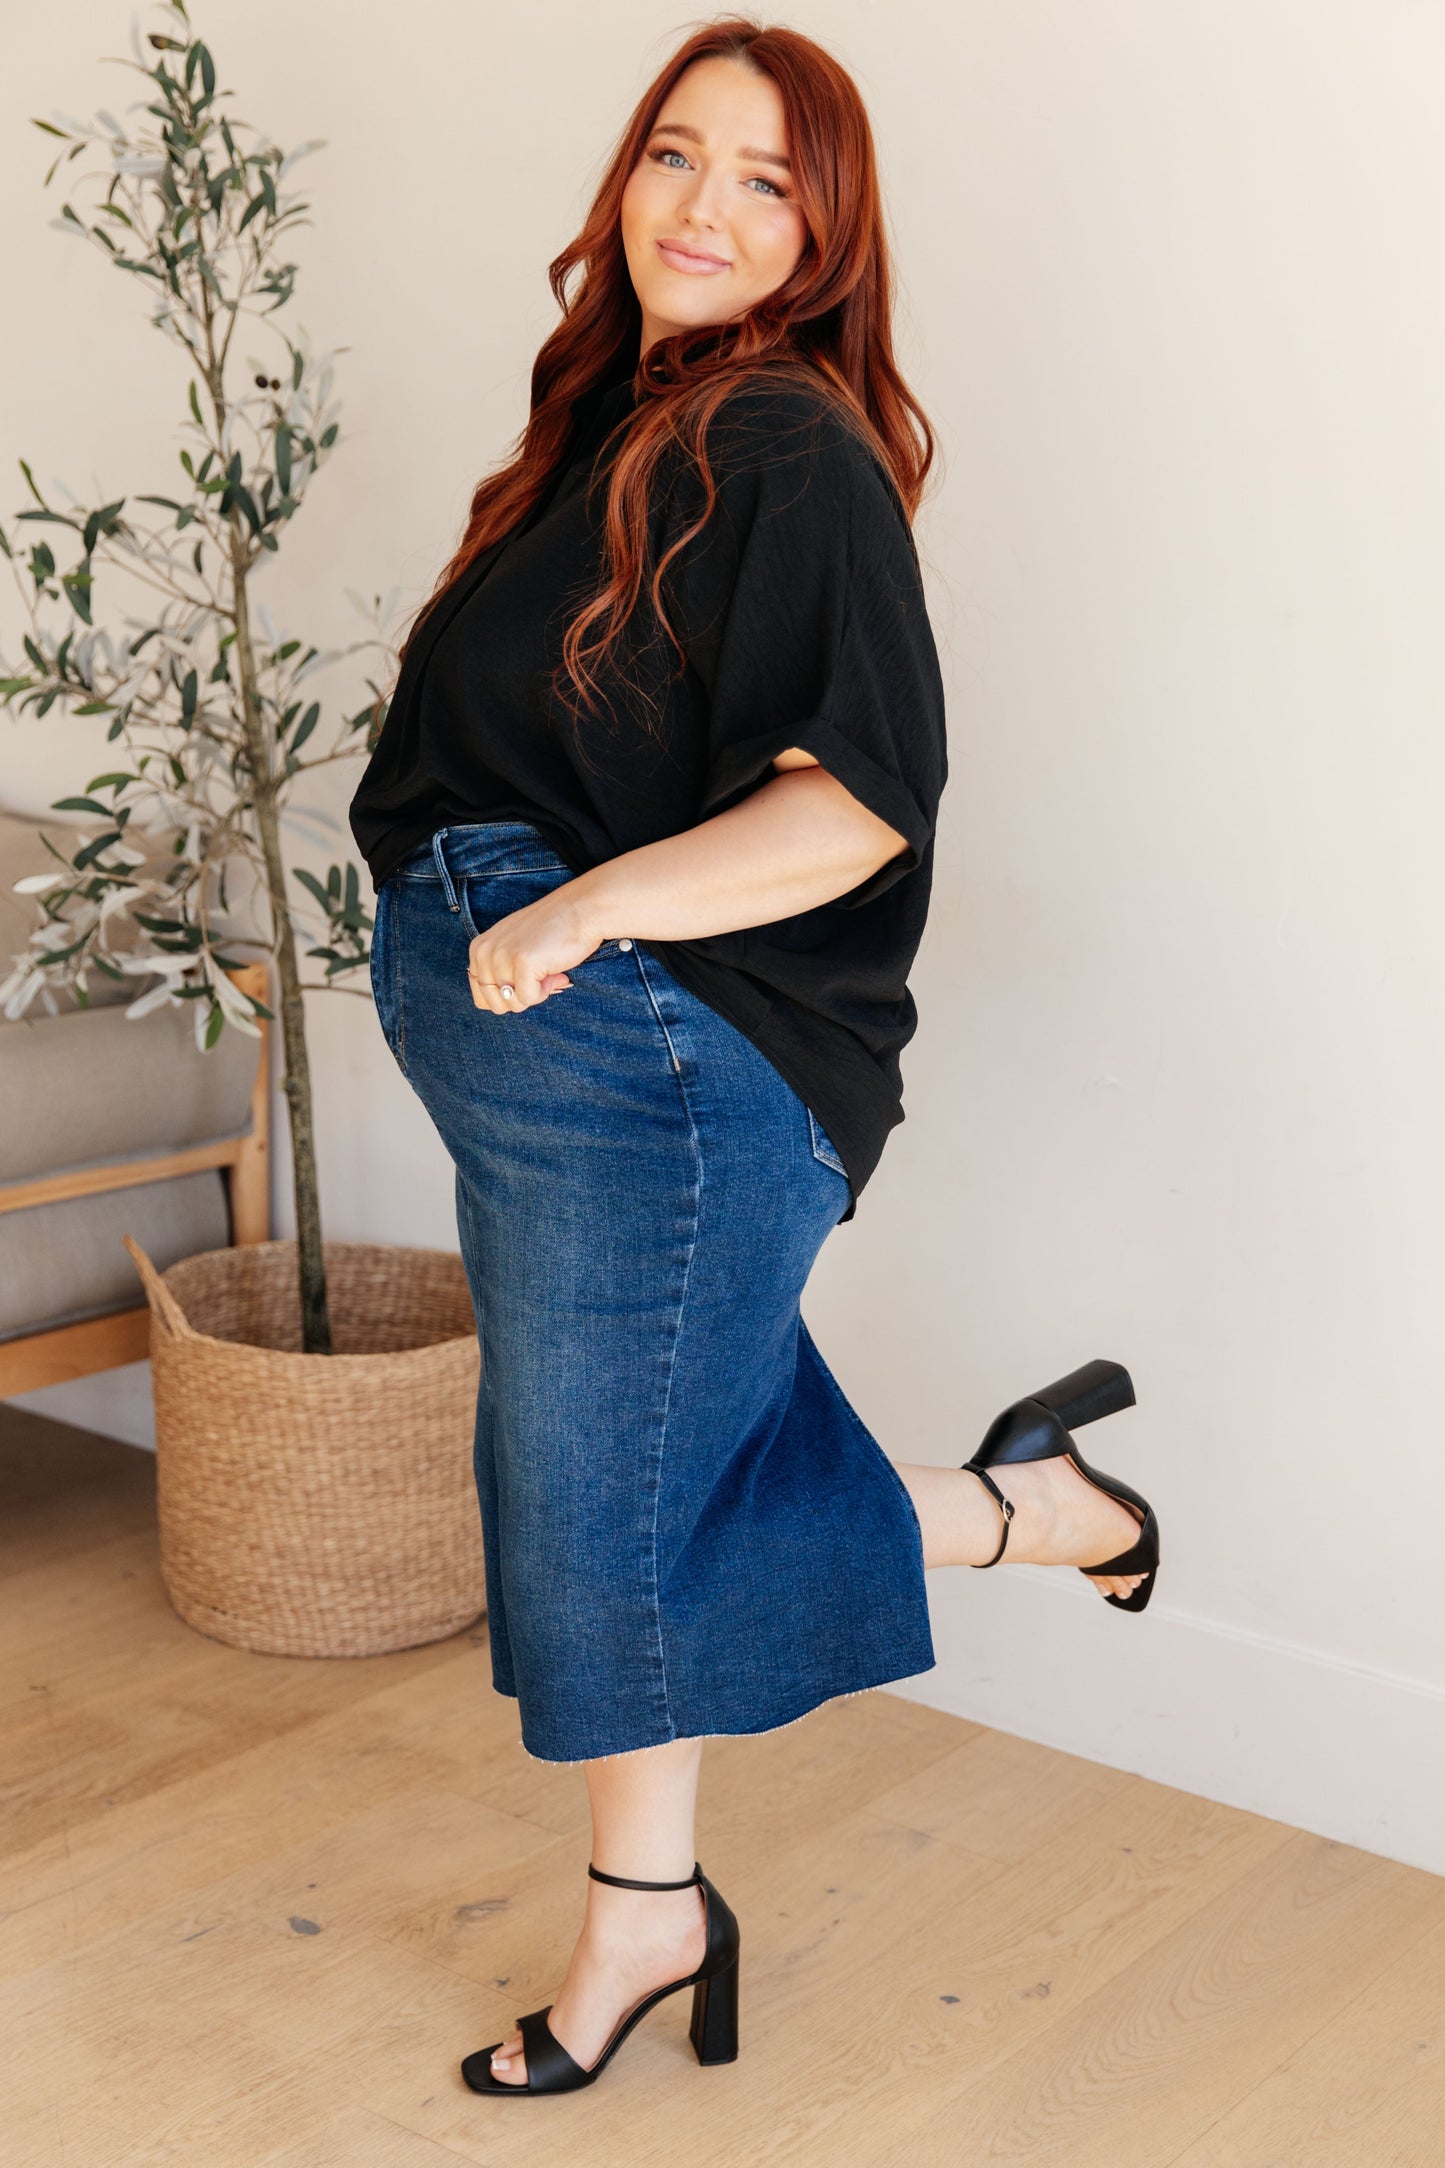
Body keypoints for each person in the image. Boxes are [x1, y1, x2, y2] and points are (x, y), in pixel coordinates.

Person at [348, 16, 1159, 2100]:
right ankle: (653, 1902)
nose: (703, 205)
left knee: (602, 1536)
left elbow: (856, 802)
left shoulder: (783, 441)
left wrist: (576, 913)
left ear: (825, 235)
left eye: (767, 179)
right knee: (605, 1505)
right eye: (674, 154)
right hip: (566, 1079)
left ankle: (1027, 1516)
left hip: (657, 1075)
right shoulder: (611, 431)